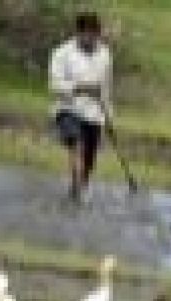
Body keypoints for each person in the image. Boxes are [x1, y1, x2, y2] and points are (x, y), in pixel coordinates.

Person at [49, 12, 112, 203]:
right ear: (79, 32)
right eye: (88, 34)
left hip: (94, 113)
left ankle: (77, 192)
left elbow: (106, 87)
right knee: (77, 144)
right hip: (68, 109)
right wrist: (80, 88)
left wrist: (108, 114)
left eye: (96, 34)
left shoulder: (105, 54)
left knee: (89, 160)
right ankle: (77, 191)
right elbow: (54, 85)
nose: (92, 38)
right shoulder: (61, 53)